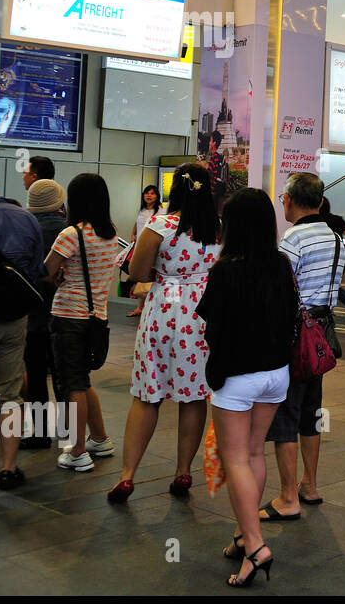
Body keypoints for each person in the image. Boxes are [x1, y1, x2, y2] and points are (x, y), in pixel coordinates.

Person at [196, 188, 300, 589]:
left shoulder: (224, 271)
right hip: (277, 374)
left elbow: (213, 327)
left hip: (238, 377)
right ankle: (244, 533)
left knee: (235, 457)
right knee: (254, 452)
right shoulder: (280, 265)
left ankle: (256, 546)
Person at [108, 162, 220, 503]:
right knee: (193, 395)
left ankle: (127, 477)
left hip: (163, 310)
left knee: (147, 394)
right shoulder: (217, 228)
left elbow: (138, 271)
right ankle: (183, 471)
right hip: (200, 314)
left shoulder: (160, 225)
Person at [261, 171, 345, 518]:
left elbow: (281, 289)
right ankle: (309, 485)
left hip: (296, 332)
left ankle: (286, 498)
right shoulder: (337, 237)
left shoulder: (293, 239)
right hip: (323, 332)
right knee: (313, 411)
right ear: (321, 201)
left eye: (283, 197)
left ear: (290, 200)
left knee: (286, 413)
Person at [0, 162, 45, 492]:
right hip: (15, 322)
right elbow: (35, 271)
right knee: (9, 395)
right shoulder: (26, 217)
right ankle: (7, 468)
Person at [46, 174, 120, 472]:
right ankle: (99, 438)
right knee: (81, 379)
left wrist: (59, 273)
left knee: (72, 383)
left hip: (68, 317)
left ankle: (77, 451)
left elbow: (47, 271)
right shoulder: (110, 232)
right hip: (96, 317)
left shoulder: (71, 234)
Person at [21, 179, 67, 449]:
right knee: (66, 376)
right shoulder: (68, 230)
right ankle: (67, 430)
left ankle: (39, 434)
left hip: (33, 312)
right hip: (63, 311)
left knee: (36, 376)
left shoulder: (25, 227)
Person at [126, 185, 162, 316]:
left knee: (149, 277)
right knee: (140, 275)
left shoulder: (160, 211)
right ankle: (140, 307)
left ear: (157, 196)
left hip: (153, 248)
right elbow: (137, 224)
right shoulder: (141, 210)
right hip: (139, 247)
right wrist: (133, 234)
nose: (149, 195)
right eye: (147, 193)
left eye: (152, 193)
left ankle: (150, 307)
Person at [206, 130, 228, 215]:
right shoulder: (220, 157)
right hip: (219, 193)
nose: (209, 143)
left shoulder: (214, 157)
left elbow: (210, 175)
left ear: (214, 143)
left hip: (212, 193)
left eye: (210, 141)